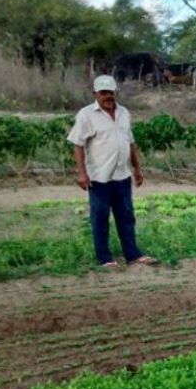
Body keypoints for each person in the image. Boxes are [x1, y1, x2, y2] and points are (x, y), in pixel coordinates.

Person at [67, 75, 158, 268]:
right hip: (99, 177)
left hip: (122, 175)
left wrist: (137, 168)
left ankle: (132, 254)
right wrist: (82, 173)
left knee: (126, 216)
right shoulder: (86, 115)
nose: (108, 96)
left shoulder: (124, 113)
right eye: (103, 92)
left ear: (116, 92)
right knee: (100, 218)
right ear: (95, 94)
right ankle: (105, 258)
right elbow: (78, 144)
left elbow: (130, 142)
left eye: (111, 92)